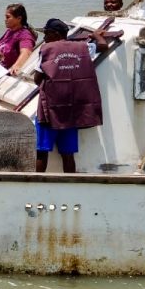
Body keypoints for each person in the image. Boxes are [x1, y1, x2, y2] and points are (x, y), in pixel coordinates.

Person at [32, 18, 103, 173]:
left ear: (55, 34)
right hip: (72, 111)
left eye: (46, 33)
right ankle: (70, 185)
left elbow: (37, 79)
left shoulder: (47, 49)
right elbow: (103, 45)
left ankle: (37, 185)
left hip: (49, 110)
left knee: (42, 152)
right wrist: (96, 35)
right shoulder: (82, 48)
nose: (44, 38)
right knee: (68, 154)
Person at [0, 3, 37, 76]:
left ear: (19, 18)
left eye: (8, 17)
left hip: (8, 75)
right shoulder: (9, 31)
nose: (5, 20)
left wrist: (16, 66)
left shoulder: (24, 35)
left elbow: (26, 52)